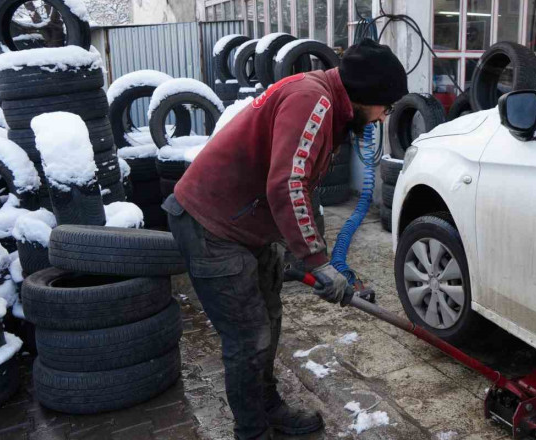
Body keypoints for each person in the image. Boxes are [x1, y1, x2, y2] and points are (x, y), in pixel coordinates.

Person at [162, 39, 408, 440]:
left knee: (268, 324)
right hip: (211, 225)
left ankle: (268, 406)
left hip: (247, 225)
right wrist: (316, 259)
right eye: (386, 107)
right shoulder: (314, 100)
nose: (383, 118)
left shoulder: (329, 102)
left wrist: (308, 252)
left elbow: (301, 182)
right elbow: (287, 184)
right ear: (368, 95)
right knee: (248, 339)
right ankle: (252, 432)